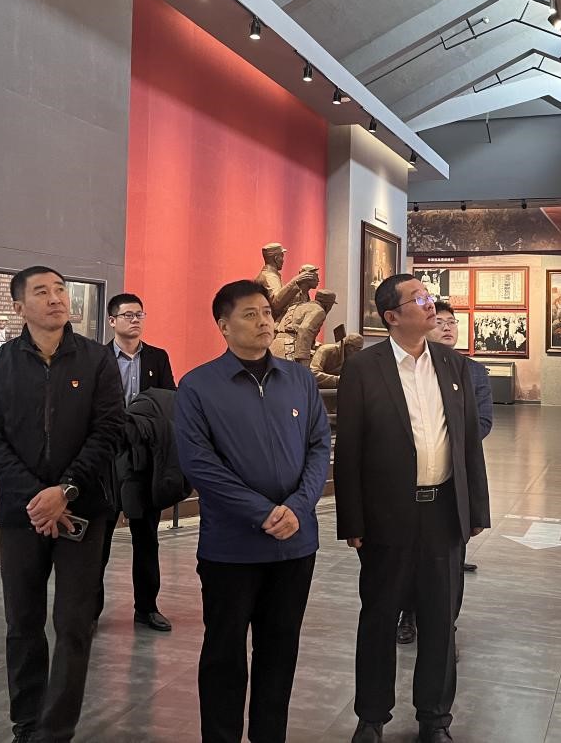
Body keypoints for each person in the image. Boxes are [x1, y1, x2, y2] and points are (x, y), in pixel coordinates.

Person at [335, 275, 491, 743]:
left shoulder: (453, 365)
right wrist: (352, 520)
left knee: (440, 621)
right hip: (387, 515)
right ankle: (371, 717)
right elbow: (350, 451)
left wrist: (475, 509)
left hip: (443, 511)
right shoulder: (364, 369)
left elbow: (467, 444)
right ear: (392, 316)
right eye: (419, 298)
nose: (429, 304)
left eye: (428, 296)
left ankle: (435, 719)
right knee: (379, 617)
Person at [0, 266, 126, 743]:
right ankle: (26, 722)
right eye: (42, 292)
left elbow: (109, 430)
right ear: (20, 307)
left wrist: (66, 491)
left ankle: (56, 730)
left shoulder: (96, 360)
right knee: (22, 622)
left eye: (60, 289)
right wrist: (38, 498)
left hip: (83, 508)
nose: (57, 298)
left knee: (75, 623)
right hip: (22, 514)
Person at [175, 280, 332, 743]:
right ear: (223, 326)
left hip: (295, 545)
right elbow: (199, 464)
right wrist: (262, 512)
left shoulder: (299, 380)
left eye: (266, 312)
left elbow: (319, 447)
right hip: (231, 548)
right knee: (223, 655)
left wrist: (297, 507)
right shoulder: (199, 386)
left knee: (279, 653)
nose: (265, 321)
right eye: (250, 314)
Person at [396, 300, 494, 646]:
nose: (448, 327)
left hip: (452, 478)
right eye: (439, 321)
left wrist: (442, 439)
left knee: (449, 562)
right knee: (409, 554)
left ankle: (444, 627)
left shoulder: (473, 371)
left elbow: (483, 422)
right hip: (409, 479)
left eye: (452, 321)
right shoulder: (403, 370)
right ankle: (408, 613)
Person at [94, 293, 178, 632]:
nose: (135, 320)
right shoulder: (97, 358)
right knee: (99, 539)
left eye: (139, 314)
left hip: (145, 459)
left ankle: (147, 608)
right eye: (128, 315)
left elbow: (169, 402)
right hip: (106, 460)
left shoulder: (158, 357)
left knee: (146, 538)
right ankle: (90, 610)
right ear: (112, 320)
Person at [255, 242, 319, 319]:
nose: (283, 260)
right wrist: (296, 280)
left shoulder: (271, 275)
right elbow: (276, 303)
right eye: (282, 257)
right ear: (276, 259)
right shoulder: (270, 276)